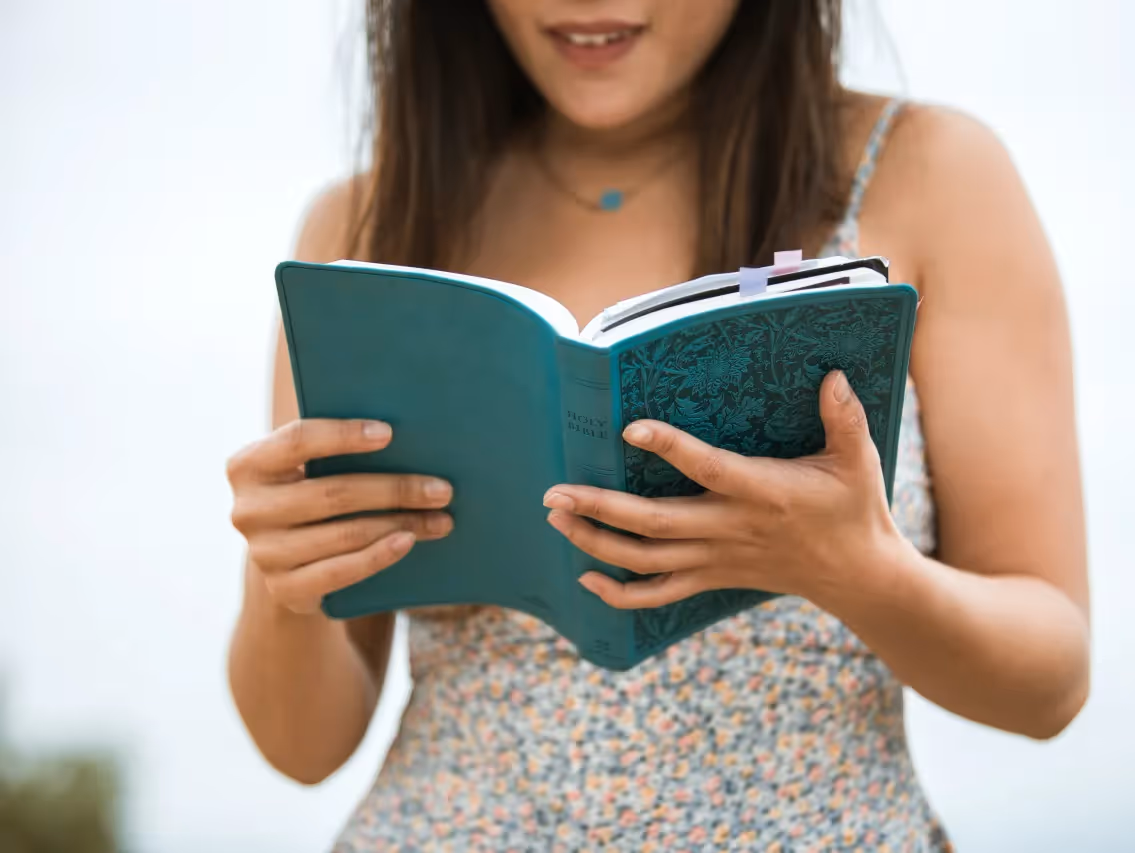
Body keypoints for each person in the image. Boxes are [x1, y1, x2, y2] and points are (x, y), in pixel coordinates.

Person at [225, 1, 1090, 849]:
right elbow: (302, 747)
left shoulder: (929, 172)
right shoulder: (372, 223)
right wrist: (286, 586)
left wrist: (860, 572)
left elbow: (1048, 679)